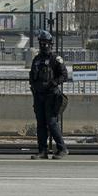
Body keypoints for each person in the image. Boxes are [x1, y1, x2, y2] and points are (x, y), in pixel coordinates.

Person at [29, 30, 69, 159]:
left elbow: (64, 75)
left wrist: (54, 83)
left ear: (51, 44)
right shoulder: (37, 59)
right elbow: (32, 76)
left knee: (52, 123)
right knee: (41, 124)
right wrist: (34, 87)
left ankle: (62, 149)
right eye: (41, 43)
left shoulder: (55, 59)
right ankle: (42, 151)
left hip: (51, 95)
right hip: (38, 96)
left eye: (46, 43)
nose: (43, 45)